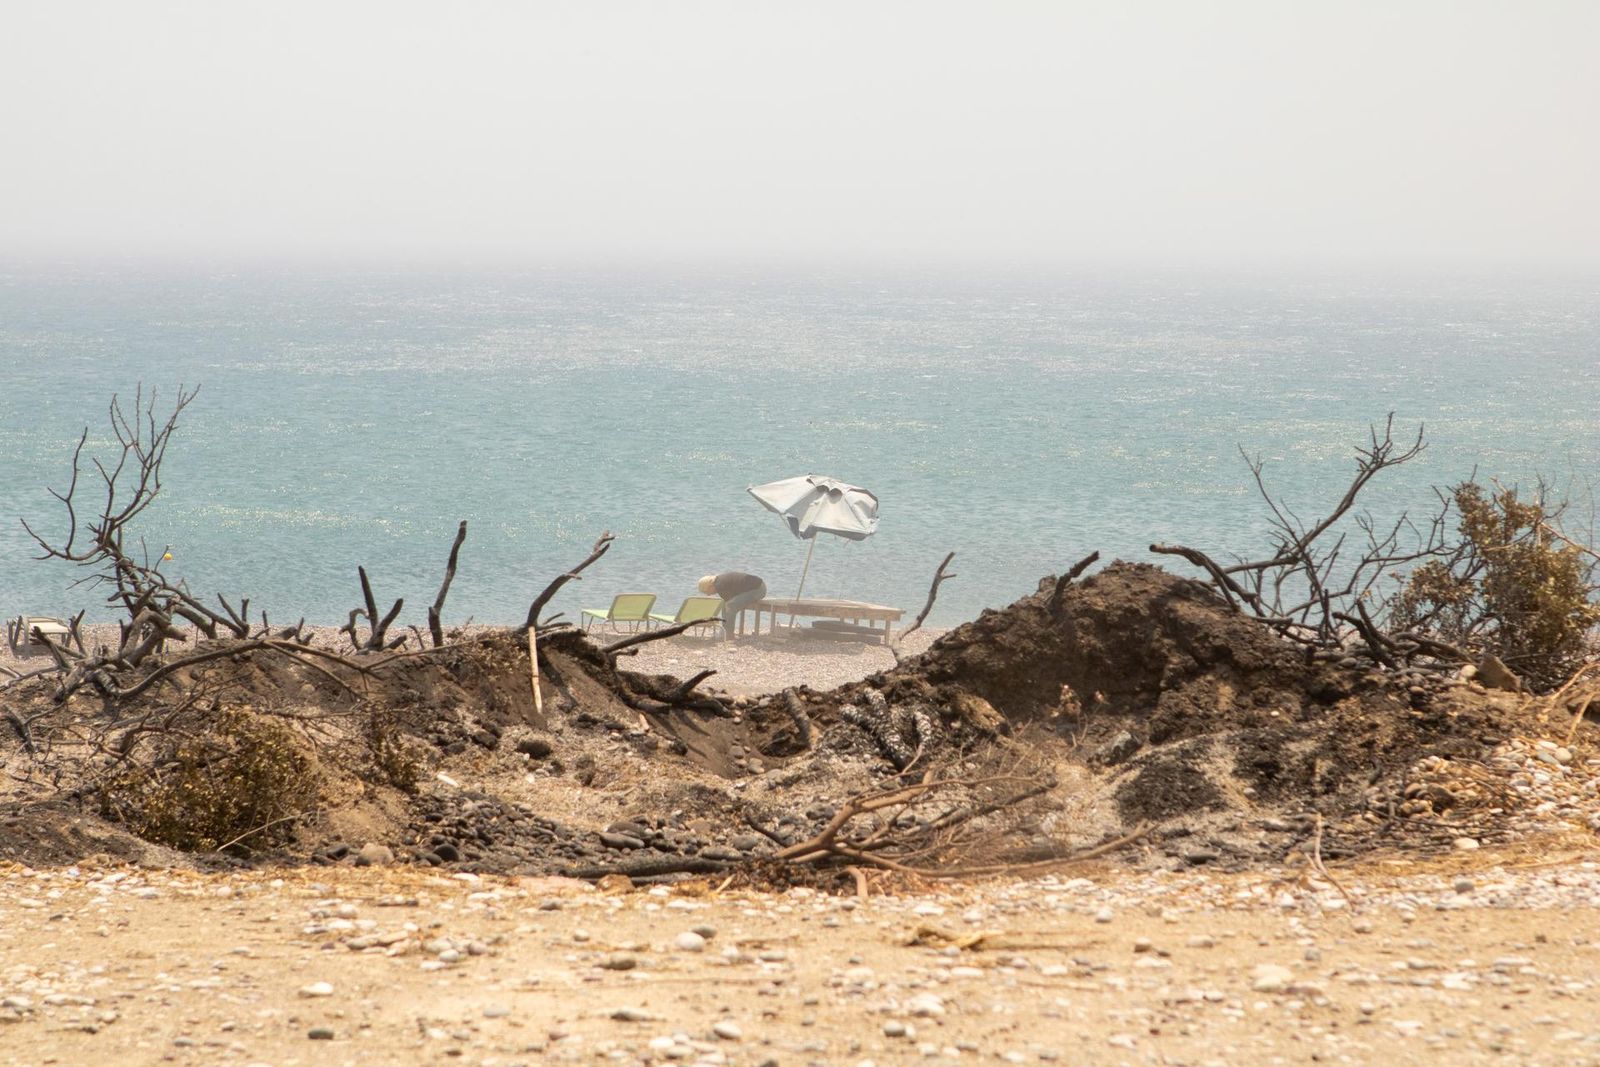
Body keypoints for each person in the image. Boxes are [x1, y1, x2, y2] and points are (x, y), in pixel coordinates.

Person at [697, 571, 767, 641]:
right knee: (725, 605)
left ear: (710, 585)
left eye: (706, 591)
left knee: (731, 606)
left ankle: (729, 634)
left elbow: (730, 605)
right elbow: (726, 602)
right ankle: (725, 631)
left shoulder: (720, 585)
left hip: (758, 589)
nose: (708, 594)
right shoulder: (719, 582)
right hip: (755, 588)